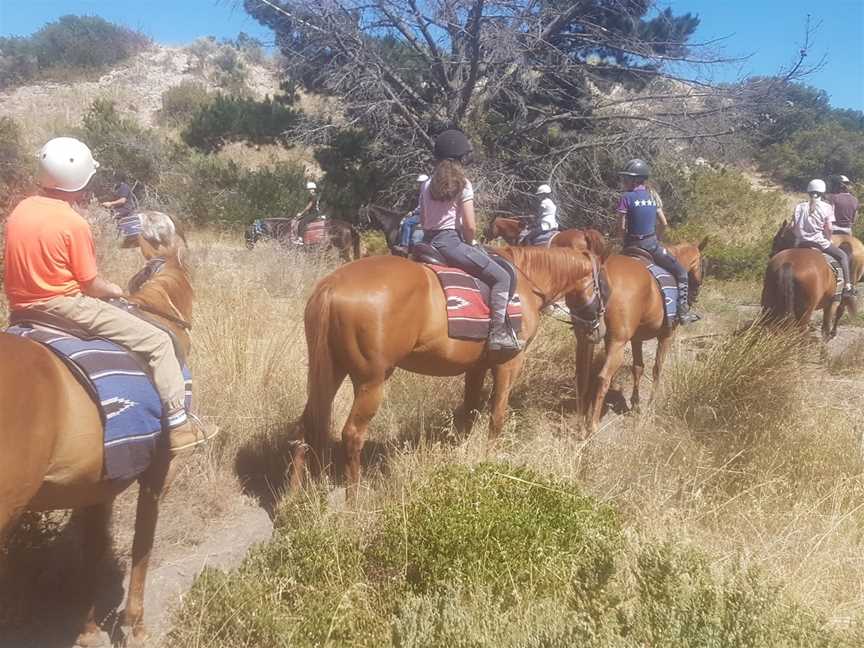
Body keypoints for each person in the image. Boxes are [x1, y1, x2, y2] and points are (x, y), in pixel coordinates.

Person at [3, 137, 213, 455]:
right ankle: (179, 424)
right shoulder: (73, 223)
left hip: (20, 309)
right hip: (65, 306)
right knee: (157, 342)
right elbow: (89, 284)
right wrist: (114, 289)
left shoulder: (22, 209)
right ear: (80, 181)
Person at [420, 129, 519, 352]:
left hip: (426, 242)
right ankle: (498, 332)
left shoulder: (426, 184)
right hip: (450, 243)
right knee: (502, 276)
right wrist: (470, 242)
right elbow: (470, 226)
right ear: (462, 158)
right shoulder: (463, 184)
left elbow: (424, 218)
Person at [616, 158, 699, 325]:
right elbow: (664, 223)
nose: (624, 181)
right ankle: (682, 312)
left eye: (627, 178)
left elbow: (621, 226)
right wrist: (657, 238)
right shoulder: (653, 196)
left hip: (630, 246)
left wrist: (622, 241)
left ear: (635, 180)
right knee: (681, 273)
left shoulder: (626, 198)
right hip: (651, 245)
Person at [792, 178, 854, 296]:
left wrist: (799, 236)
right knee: (842, 256)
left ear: (808, 192)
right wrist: (828, 238)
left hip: (800, 243)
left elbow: (793, 226)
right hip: (819, 242)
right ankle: (847, 286)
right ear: (823, 192)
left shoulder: (799, 207)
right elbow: (829, 228)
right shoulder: (826, 207)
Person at [101, 173, 140, 247]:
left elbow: (122, 200)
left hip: (125, 209)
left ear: (118, 179)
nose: (113, 180)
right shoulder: (117, 187)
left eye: (114, 178)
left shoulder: (124, 187)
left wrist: (110, 203)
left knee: (108, 219)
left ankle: (115, 238)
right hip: (119, 208)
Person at [394, 173, 428, 255]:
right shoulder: (426, 192)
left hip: (423, 215)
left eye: (421, 182)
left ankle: (405, 245)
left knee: (407, 223)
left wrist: (413, 212)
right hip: (425, 213)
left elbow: (422, 207)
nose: (419, 184)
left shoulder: (425, 193)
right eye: (419, 183)